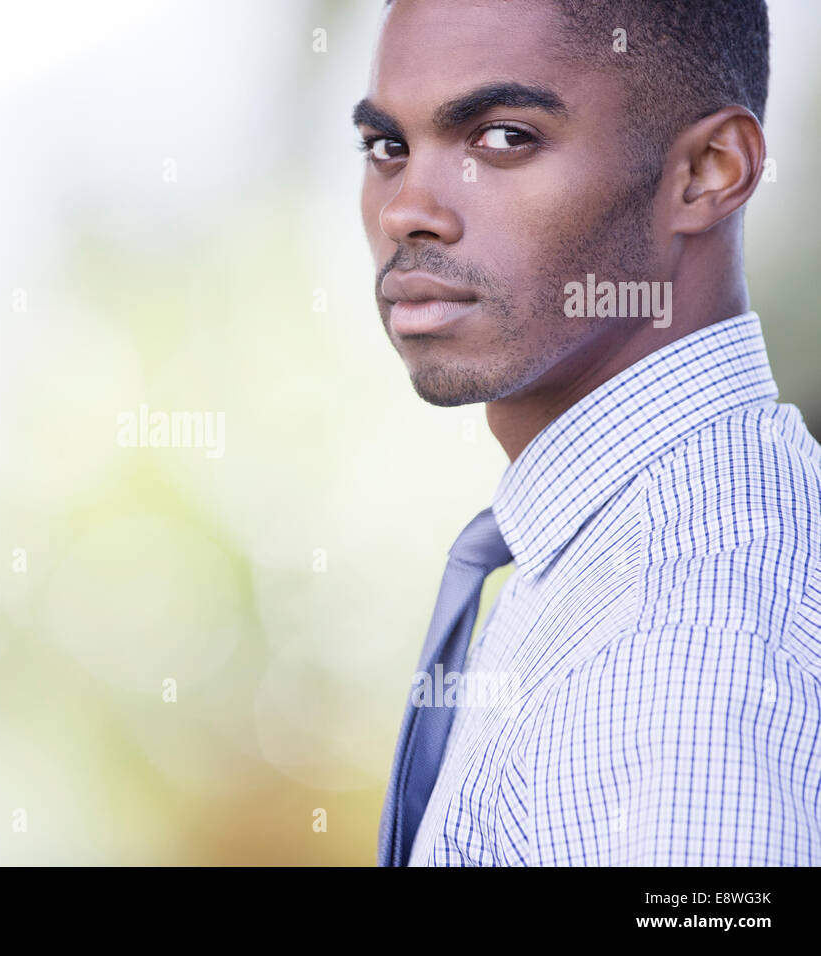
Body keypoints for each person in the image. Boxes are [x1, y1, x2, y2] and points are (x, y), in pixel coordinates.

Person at [354, 0, 821, 865]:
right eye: (388, 146)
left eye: (501, 137)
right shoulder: (611, 559)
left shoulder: (682, 642)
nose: (406, 210)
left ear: (709, 171)